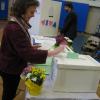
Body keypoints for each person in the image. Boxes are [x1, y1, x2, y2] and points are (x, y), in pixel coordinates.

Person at [0, 0, 66, 100]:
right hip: (10, 68)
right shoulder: (15, 28)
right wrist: (52, 52)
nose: (33, 15)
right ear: (22, 11)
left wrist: (29, 47)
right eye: (31, 12)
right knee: (9, 93)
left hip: (10, 64)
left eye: (34, 12)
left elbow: (17, 46)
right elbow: (28, 54)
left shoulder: (18, 23)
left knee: (10, 91)